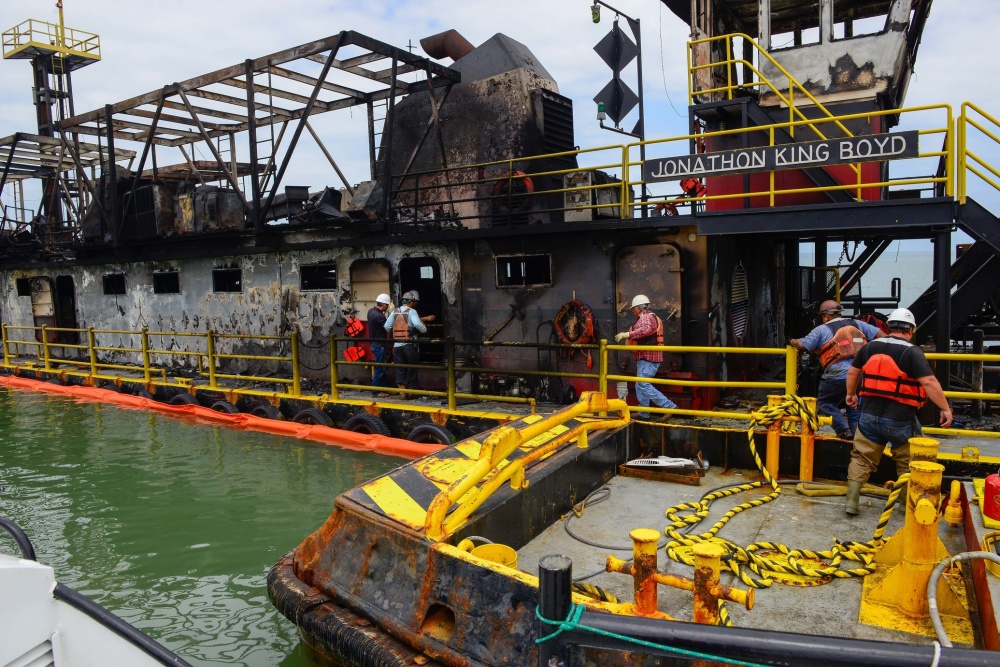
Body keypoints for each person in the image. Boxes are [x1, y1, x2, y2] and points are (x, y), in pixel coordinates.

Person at [842, 307, 953, 516]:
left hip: (868, 416)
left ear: (889, 326)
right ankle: (904, 506)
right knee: (907, 462)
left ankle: (851, 503)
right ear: (910, 329)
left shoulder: (869, 347)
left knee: (861, 458)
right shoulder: (912, 352)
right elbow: (928, 381)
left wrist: (851, 394)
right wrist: (945, 408)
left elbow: (853, 372)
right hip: (900, 419)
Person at [790, 300, 885, 440]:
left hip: (837, 375)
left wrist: (790, 341)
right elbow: (881, 335)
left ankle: (843, 430)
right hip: (861, 374)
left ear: (826, 316)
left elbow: (803, 344)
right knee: (853, 404)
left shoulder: (822, 329)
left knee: (825, 402)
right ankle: (857, 438)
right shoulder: (858, 324)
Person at [615, 294, 677, 420]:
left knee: (643, 384)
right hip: (646, 357)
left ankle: (669, 406)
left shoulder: (646, 317)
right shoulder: (649, 317)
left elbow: (646, 330)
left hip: (649, 358)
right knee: (640, 384)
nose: (632, 311)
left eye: (633, 308)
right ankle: (644, 412)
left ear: (639, 307)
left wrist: (628, 334)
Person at [384, 290, 435, 397]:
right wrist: (424, 330)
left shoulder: (395, 311)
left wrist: (395, 332)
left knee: (400, 368)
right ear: (411, 302)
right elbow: (417, 324)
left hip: (396, 346)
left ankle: (403, 393)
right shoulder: (412, 311)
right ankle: (412, 392)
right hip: (409, 345)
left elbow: (387, 326)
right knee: (412, 367)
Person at [367, 293, 392, 397]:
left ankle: (383, 388)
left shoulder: (370, 311)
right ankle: (376, 391)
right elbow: (388, 328)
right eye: (387, 305)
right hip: (380, 344)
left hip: (374, 343)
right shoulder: (379, 315)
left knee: (381, 368)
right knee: (380, 368)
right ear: (384, 304)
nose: (387, 307)